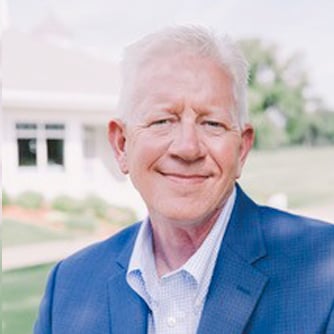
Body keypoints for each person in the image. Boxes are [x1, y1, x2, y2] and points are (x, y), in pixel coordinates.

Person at [34, 26, 334, 334]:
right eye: (162, 121)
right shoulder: (69, 287)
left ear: (241, 149)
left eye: (212, 123)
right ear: (122, 144)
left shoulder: (327, 270)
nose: (187, 148)